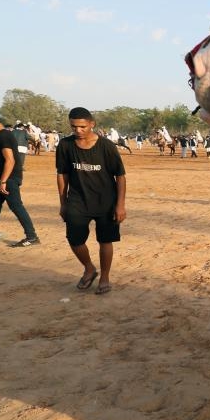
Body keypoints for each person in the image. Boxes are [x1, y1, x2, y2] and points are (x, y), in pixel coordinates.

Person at [55, 107, 127, 294]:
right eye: (74, 127)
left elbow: (120, 176)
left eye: (82, 126)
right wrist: (63, 203)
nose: (78, 130)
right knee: (74, 239)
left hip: (106, 202)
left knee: (105, 241)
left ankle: (104, 277)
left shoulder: (106, 146)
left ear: (92, 124)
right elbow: (62, 174)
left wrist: (120, 205)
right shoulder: (65, 145)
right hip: (77, 201)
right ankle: (89, 268)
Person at [0, 108, 40, 247]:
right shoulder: (2, 135)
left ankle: (32, 236)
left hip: (8, 178)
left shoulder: (3, 136)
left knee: (16, 206)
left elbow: (10, 160)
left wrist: (3, 181)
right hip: (5, 177)